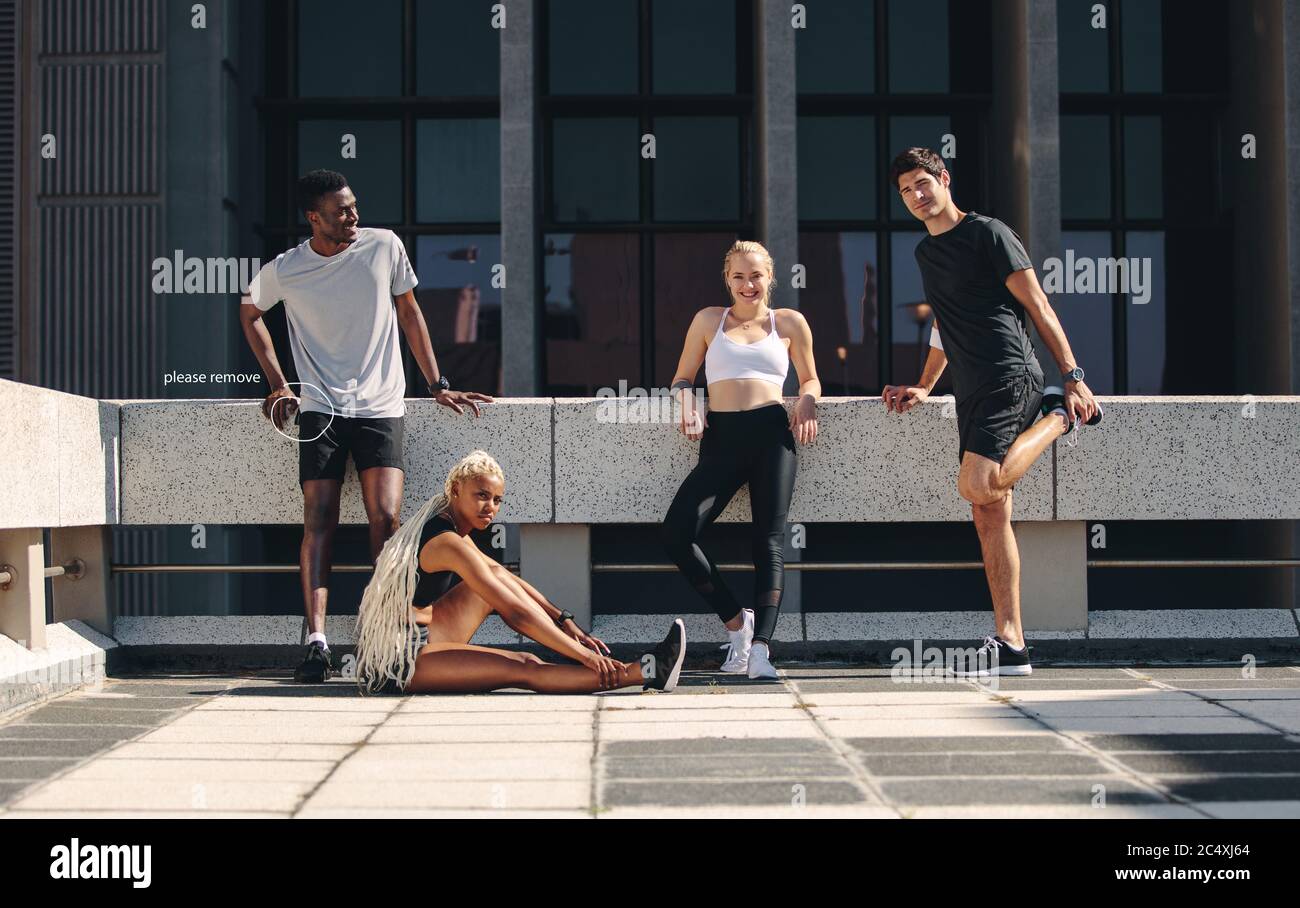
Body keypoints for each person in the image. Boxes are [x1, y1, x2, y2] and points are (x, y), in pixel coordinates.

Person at [240, 169, 493, 683]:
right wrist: (277, 382)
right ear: (315, 217)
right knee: (320, 518)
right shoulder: (287, 268)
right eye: (340, 210)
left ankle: (385, 637)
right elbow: (249, 311)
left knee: (386, 519)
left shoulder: (384, 246)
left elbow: (410, 311)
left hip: (381, 406)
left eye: (354, 205)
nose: (353, 216)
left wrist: (437, 382)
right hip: (320, 409)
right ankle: (315, 643)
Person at [882, 147, 1103, 677]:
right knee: (990, 510)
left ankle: (1057, 416)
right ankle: (1013, 644)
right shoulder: (925, 253)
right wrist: (925, 386)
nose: (916, 196)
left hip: (1010, 376)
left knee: (978, 484)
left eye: (922, 184)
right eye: (906, 191)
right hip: (970, 389)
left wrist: (1071, 376)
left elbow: (1039, 306)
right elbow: (945, 321)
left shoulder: (989, 234)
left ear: (944, 179)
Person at [352, 450, 687, 694]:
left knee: (494, 577)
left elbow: (501, 575)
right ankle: (643, 672)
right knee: (524, 665)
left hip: (422, 634)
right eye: (481, 495)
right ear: (455, 490)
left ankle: (611, 667)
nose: (491, 508)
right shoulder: (446, 541)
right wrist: (582, 654)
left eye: (497, 499)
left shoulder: (447, 526)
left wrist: (563, 619)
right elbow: (514, 612)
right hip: (398, 661)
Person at [661, 240, 821, 681]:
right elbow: (681, 376)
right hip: (722, 437)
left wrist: (807, 400)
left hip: (773, 435)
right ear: (727, 279)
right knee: (677, 533)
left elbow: (810, 377)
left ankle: (761, 651)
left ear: (770, 277)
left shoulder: (788, 322)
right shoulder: (708, 320)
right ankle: (737, 624)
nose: (748, 284)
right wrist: (687, 399)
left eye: (756, 275)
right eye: (738, 276)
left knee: (767, 541)